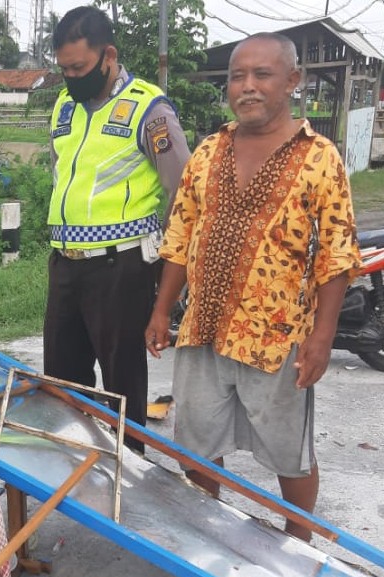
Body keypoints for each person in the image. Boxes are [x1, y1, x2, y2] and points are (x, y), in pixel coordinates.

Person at [145, 33, 361, 541]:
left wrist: (322, 337)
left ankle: (300, 547)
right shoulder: (207, 151)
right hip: (202, 328)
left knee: (290, 452)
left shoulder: (319, 157)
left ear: (292, 81)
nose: (247, 87)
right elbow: (180, 235)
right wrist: (161, 311)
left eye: (261, 75)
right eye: (237, 77)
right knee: (196, 445)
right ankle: (205, 534)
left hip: (279, 335)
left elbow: (336, 253)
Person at [45, 6, 190, 452]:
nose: (71, 77)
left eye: (80, 68)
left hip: (121, 266)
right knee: (62, 381)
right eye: (64, 69)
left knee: (121, 379)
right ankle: (75, 469)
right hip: (66, 264)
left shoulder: (149, 109)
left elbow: (183, 192)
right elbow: (61, 173)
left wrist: (163, 262)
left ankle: (130, 475)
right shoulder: (64, 106)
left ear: (109, 55)